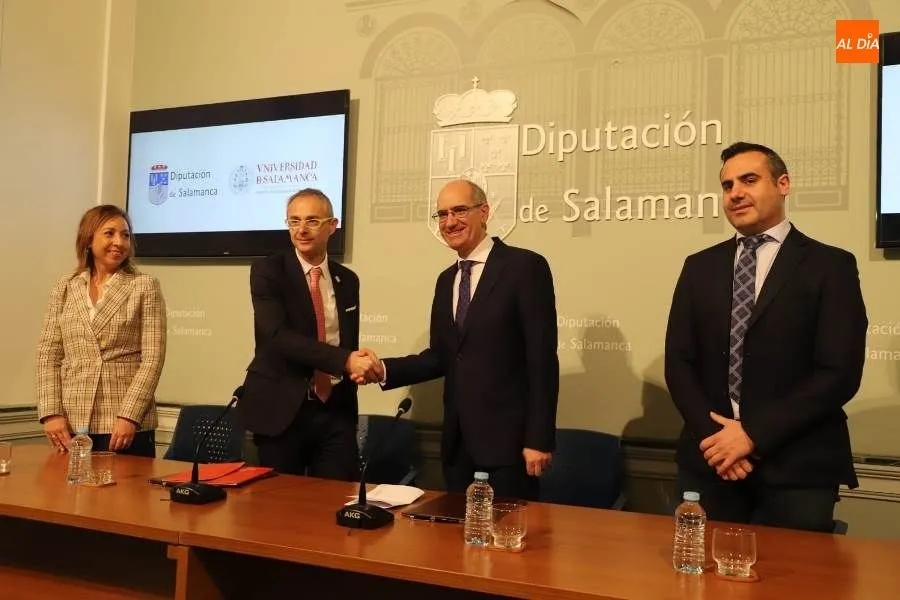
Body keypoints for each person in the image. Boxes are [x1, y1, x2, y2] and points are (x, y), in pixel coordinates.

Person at [664, 141, 868, 532]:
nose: (735, 193)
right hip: (712, 463)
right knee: (700, 570)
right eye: (727, 185)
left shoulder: (831, 265)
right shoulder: (699, 267)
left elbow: (838, 373)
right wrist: (717, 440)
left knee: (792, 572)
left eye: (749, 180)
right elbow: (679, 362)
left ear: (783, 184)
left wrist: (752, 435)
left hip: (796, 466)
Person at [354, 179, 559, 501]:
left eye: (460, 210)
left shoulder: (524, 267)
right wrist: (383, 369)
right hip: (457, 446)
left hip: (510, 446)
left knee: (510, 531)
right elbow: (442, 356)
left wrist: (539, 438)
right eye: (442, 214)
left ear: (484, 212)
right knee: (455, 531)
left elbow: (541, 359)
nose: (450, 222)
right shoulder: (446, 280)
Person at [238, 188, 374, 480]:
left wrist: (356, 365)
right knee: (278, 501)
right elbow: (276, 335)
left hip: (336, 411)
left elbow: (346, 341)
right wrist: (345, 359)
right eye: (294, 221)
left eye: (312, 221)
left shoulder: (348, 280)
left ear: (332, 226)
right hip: (282, 411)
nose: (301, 229)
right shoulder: (268, 271)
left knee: (337, 498)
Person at [36, 205, 167, 458]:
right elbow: (48, 355)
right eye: (109, 233)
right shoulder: (65, 286)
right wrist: (51, 413)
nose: (119, 242)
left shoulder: (144, 286)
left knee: (126, 485)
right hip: (71, 422)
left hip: (124, 424)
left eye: (125, 235)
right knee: (68, 485)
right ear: (88, 239)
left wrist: (129, 416)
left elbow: (153, 359)